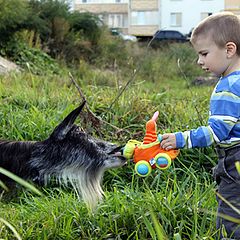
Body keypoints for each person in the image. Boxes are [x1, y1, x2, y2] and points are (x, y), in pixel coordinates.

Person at [160, 12, 240, 239]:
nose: (199, 61)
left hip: (235, 162)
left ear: (229, 50)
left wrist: (180, 139)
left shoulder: (228, 87)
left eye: (204, 54)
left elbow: (217, 132)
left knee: (230, 220)